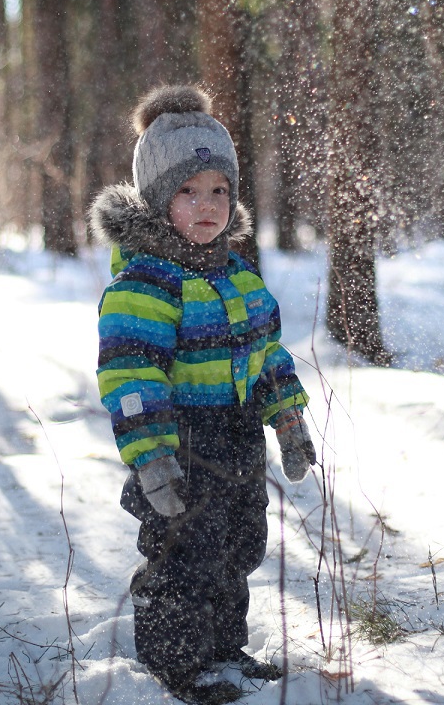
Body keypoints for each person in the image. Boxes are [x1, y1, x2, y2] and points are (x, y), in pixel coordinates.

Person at [89, 84, 317, 705]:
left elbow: (266, 356)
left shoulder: (238, 277)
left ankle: (223, 648)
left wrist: (289, 421)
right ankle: (179, 662)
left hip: (238, 440)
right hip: (178, 444)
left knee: (236, 548)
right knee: (181, 555)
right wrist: (151, 456)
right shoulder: (146, 282)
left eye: (219, 190)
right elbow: (131, 377)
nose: (207, 204)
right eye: (188, 192)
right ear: (159, 201)